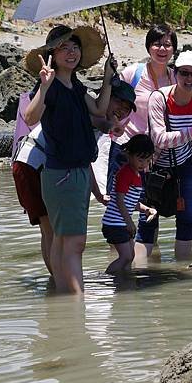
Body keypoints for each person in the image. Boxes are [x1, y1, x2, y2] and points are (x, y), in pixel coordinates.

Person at [24, 24, 116, 294]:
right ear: (52, 54)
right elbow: (30, 118)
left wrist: (108, 79)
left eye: (74, 46)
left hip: (74, 172)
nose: (71, 52)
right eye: (64, 47)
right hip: (62, 173)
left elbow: (99, 110)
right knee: (72, 242)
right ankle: (76, 299)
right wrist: (44, 85)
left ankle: (64, 298)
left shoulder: (75, 85)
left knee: (63, 241)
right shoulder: (50, 86)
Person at [142, 50, 192, 259]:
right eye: (184, 73)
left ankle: (183, 278)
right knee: (148, 219)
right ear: (175, 73)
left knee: (186, 218)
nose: (189, 79)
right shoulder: (159, 98)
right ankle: (141, 272)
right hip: (156, 164)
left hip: (187, 163)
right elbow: (159, 139)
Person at [107, 24, 177, 193]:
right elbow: (109, 101)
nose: (162, 49)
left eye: (167, 45)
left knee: (150, 208)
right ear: (148, 47)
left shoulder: (176, 78)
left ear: (174, 49)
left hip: (157, 152)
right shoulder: (133, 73)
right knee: (119, 205)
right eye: (156, 44)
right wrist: (114, 122)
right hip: (125, 147)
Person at [101, 134, 157, 274]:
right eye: (140, 160)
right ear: (129, 154)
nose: (143, 164)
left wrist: (146, 209)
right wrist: (129, 222)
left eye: (147, 160)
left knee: (129, 258)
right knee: (126, 256)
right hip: (114, 224)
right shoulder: (126, 173)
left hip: (121, 223)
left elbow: (131, 200)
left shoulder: (135, 174)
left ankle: (124, 284)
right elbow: (119, 199)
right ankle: (105, 278)